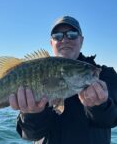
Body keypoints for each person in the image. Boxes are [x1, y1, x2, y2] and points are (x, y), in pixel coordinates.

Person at [9, 16, 117, 144]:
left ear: (81, 41)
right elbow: (31, 134)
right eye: (58, 36)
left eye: (72, 34)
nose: (65, 39)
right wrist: (31, 114)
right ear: (51, 43)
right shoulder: (36, 71)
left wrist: (100, 106)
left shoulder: (105, 74)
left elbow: (111, 120)